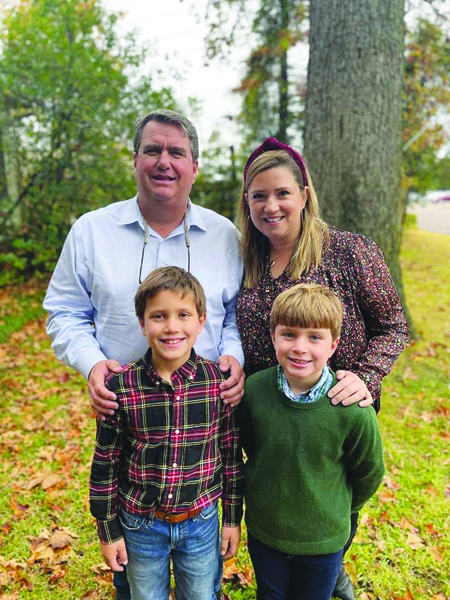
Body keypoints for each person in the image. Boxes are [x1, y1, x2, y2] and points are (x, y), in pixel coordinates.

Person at [44, 109, 245, 600]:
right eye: (152, 150)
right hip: (127, 411)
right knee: (135, 571)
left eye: (177, 152)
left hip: (204, 411)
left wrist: (235, 355)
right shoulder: (92, 231)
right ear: (135, 159)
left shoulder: (226, 237)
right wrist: (92, 363)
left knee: (202, 574)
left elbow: (240, 311)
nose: (164, 162)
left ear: (194, 166)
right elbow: (63, 312)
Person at [235, 137, 409, 599]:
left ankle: (333, 580)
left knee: (327, 526)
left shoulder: (350, 252)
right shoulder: (247, 261)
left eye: (282, 193)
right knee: (283, 526)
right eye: (259, 196)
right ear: (247, 203)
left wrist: (366, 377)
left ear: (305, 194)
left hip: (335, 413)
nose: (271, 206)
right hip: (271, 413)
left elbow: (394, 325)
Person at [90, 266, 244, 600]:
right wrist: (108, 531)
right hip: (140, 524)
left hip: (200, 521)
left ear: (201, 321)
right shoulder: (121, 386)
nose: (172, 327)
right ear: (143, 325)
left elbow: (231, 457)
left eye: (183, 315)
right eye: (159, 316)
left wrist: (231, 518)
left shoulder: (217, 384)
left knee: (202, 594)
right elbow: (104, 466)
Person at [239, 283, 385, 600]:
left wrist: (339, 507)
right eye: (289, 334)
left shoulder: (352, 409)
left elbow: (369, 471)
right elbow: (253, 445)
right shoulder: (255, 390)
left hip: (325, 538)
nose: (300, 348)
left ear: (333, 345)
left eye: (314, 337)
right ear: (274, 336)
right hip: (266, 530)